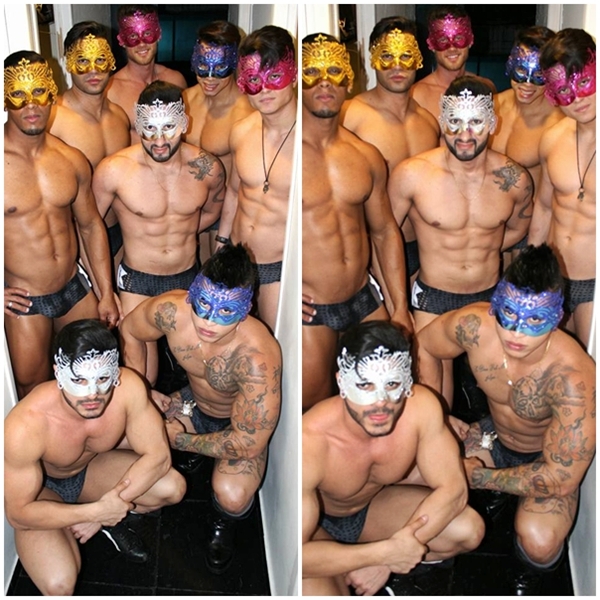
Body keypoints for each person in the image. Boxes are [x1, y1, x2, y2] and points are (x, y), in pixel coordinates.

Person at [416, 244, 596, 595]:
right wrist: (436, 411)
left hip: (544, 459)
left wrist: (480, 478)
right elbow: (425, 345)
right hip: (492, 436)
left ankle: (529, 576)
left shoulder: (572, 378)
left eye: (534, 321)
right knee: (413, 471)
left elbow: (561, 479)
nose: (516, 333)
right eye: (508, 314)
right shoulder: (474, 326)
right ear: (496, 304)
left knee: (540, 541)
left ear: (556, 317)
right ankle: (433, 561)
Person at [119, 243, 282, 574]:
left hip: (236, 426)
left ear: (245, 309)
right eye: (203, 304)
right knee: (120, 435)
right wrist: (143, 391)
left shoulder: (256, 358)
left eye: (226, 311)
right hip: (190, 405)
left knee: (233, 495)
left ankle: (223, 526)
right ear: (193, 293)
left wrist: (179, 440)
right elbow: (130, 330)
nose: (208, 321)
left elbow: (248, 443)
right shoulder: (171, 311)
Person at [4, 319, 187, 596]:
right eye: (78, 380)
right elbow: (18, 514)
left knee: (172, 487)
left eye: (103, 379)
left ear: (114, 371)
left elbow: (158, 457)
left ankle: (110, 517)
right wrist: (95, 512)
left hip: (91, 471)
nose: (93, 394)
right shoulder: (25, 425)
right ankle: (100, 513)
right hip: (43, 491)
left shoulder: (128, 388)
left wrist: (102, 514)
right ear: (58, 373)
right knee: (58, 584)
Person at [302, 320, 485, 596]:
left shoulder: (422, 408)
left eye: (392, 383)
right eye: (364, 385)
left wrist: (389, 560)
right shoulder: (310, 441)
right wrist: (383, 554)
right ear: (342, 381)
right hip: (317, 527)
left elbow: (454, 491)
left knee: (468, 530)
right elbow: (297, 554)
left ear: (407, 380)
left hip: (371, 510)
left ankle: (396, 561)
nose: (380, 402)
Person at [389, 76, 533, 407]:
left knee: (500, 398)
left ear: (493, 123)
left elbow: (517, 230)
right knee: (431, 400)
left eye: (475, 123)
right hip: (432, 299)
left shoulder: (514, 179)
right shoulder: (412, 175)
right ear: (442, 120)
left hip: (489, 297)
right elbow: (384, 237)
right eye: (454, 122)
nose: (464, 135)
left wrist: (486, 244)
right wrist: (395, 304)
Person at [302, 33, 411, 410]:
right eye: (312, 73)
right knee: (312, 410)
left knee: (388, 400)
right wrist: (279, 288)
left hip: (364, 299)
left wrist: (400, 306)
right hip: (311, 309)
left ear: (350, 80)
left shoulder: (365, 155)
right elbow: (254, 225)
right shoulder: (284, 154)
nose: (324, 83)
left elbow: (384, 232)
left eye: (334, 72)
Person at [93, 81, 225, 385]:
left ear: (184, 123)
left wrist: (182, 230)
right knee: (141, 377)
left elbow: (212, 211)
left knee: (200, 371)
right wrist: (104, 291)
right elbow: (90, 228)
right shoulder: (114, 170)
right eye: (149, 129)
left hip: (187, 277)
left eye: (169, 127)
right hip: (137, 282)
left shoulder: (207, 168)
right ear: (138, 124)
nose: (160, 140)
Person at [4, 51, 119, 399]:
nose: (31, 105)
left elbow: (91, 226)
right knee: (32, 386)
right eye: (18, 94)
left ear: (52, 92)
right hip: (25, 299)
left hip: (74, 288)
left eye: (39, 91)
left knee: (94, 370)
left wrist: (106, 291)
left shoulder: (70, 159)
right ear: (5, 98)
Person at [341, 16, 440, 287]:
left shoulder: (428, 123)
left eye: (406, 55)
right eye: (386, 55)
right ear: (373, 59)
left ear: (418, 59)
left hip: (423, 250)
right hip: (367, 253)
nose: (397, 65)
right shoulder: (350, 116)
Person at [216, 25, 297, 333]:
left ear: (294, 73)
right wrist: (221, 244)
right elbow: (234, 192)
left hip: (280, 268)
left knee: (274, 345)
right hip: (237, 260)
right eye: (253, 79)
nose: (264, 89)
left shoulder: (308, 141)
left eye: (274, 76)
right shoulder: (241, 131)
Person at [528, 28, 596, 349]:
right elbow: (544, 207)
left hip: (594, 285)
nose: (578, 99)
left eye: (584, 82)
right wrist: (531, 271)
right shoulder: (552, 139)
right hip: (553, 278)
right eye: (565, 89)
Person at [48, 21, 131, 263]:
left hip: (118, 231)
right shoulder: (53, 119)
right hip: (74, 239)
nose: (93, 70)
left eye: (100, 59)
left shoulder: (119, 117)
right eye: (82, 60)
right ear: (68, 62)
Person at [490, 26, 565, 267]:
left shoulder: (558, 123)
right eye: (521, 70)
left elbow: (554, 199)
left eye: (539, 74)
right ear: (511, 63)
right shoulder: (492, 105)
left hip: (527, 231)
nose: (528, 83)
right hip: (486, 223)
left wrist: (537, 245)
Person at [182, 20, 255, 263]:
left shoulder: (246, 112)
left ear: (235, 62)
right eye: (203, 66)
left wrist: (226, 235)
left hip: (225, 218)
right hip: (185, 212)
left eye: (220, 68)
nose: (210, 77)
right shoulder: (185, 99)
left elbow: (246, 183)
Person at [106, 5, 187, 144]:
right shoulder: (112, 91)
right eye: (132, 36)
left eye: (148, 34)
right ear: (122, 40)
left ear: (158, 34)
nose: (142, 44)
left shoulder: (176, 80)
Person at [410, 6, 496, 121]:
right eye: (443, 40)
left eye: (459, 38)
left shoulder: (486, 87)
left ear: (471, 40)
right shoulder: (417, 96)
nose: (452, 48)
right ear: (431, 44)